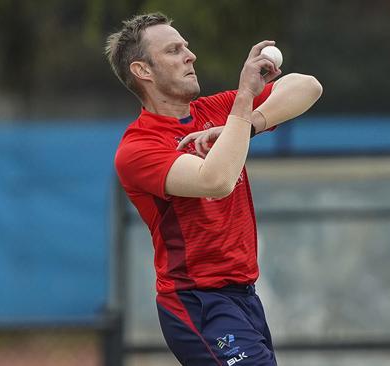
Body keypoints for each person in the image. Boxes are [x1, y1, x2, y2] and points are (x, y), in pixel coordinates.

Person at [105, 12, 322, 366]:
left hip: (243, 297)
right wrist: (244, 101)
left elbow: (308, 86)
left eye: (186, 48)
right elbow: (215, 180)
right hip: (197, 302)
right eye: (174, 51)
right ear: (143, 71)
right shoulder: (138, 147)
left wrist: (248, 123)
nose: (190, 56)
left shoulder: (217, 112)